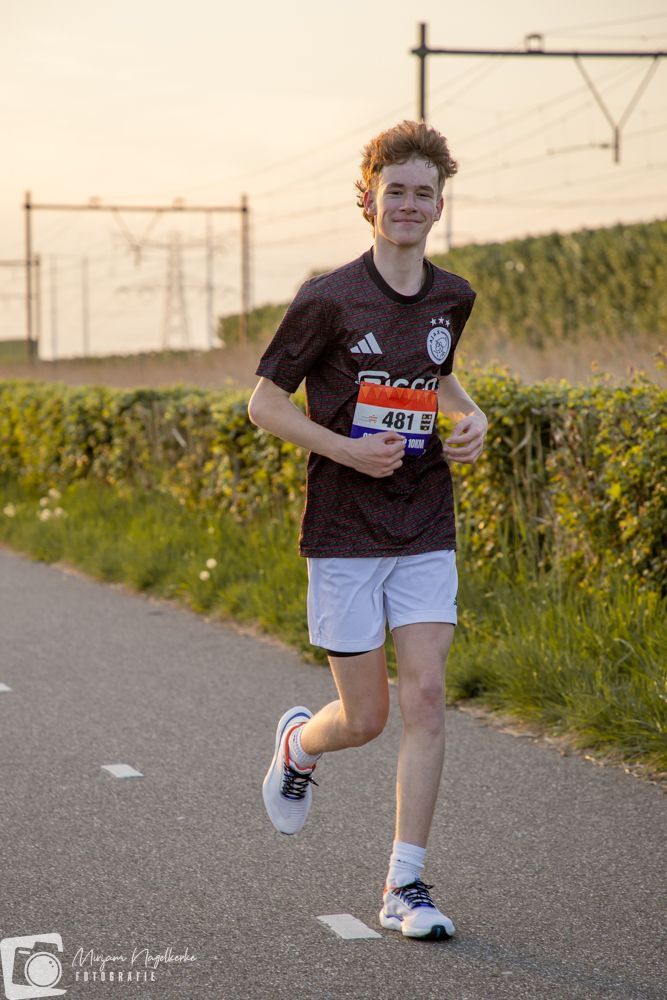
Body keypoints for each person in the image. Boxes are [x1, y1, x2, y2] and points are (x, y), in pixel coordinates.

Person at [248, 119, 487, 941]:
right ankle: (299, 746)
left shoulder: (453, 296)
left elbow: (438, 378)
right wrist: (346, 450)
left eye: (423, 193)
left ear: (439, 204)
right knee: (367, 718)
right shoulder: (327, 297)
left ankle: (403, 885)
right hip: (345, 529)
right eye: (395, 191)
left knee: (425, 696)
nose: (408, 205)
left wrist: (471, 418)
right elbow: (264, 405)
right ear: (368, 199)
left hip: (424, 519)